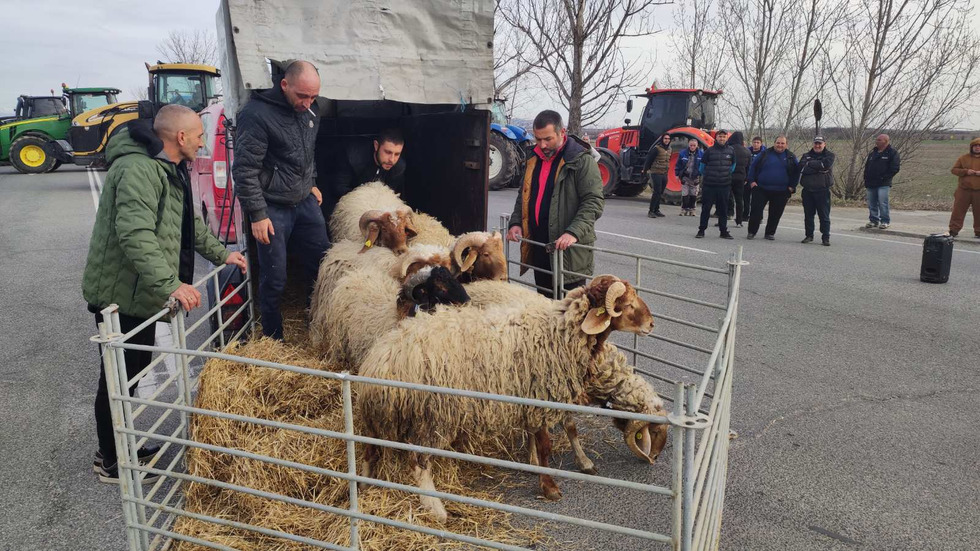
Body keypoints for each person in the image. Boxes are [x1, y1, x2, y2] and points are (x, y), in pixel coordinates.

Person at [82, 105, 248, 484]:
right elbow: (135, 234)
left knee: (132, 374)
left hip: (140, 292)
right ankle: (112, 462)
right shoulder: (139, 170)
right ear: (181, 138)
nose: (204, 143)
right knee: (117, 379)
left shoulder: (167, 168)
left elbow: (188, 225)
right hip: (120, 295)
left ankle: (118, 448)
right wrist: (171, 284)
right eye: (200, 136)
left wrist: (223, 253)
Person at [233, 60, 330, 340]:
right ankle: (273, 338)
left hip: (304, 201)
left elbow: (308, 152)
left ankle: (322, 323)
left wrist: (310, 183)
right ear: (284, 85)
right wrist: (257, 214)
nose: (308, 102)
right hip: (272, 206)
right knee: (275, 276)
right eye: (302, 96)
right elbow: (245, 169)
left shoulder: (312, 110)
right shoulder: (256, 114)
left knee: (323, 263)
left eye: (313, 96)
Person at [506, 110, 604, 297]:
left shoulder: (581, 161)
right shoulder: (533, 159)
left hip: (568, 251)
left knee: (569, 312)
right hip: (539, 246)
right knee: (545, 309)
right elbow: (524, 195)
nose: (542, 145)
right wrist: (516, 222)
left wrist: (573, 232)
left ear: (562, 132)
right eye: (538, 139)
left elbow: (594, 201)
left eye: (548, 139)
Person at [322, 128, 407, 226]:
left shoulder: (399, 166)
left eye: (397, 154)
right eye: (387, 152)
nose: (392, 159)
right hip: (345, 205)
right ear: (376, 145)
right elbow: (338, 188)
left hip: (375, 211)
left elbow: (392, 194)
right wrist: (367, 197)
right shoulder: (353, 157)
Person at [746, 135, 798, 240]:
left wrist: (792, 187)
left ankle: (770, 233)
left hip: (781, 191)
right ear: (774, 143)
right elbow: (753, 167)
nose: (780, 145)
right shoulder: (764, 154)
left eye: (782, 143)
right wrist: (751, 181)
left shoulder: (791, 157)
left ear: (786, 145)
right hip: (761, 188)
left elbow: (796, 173)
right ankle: (752, 232)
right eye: (778, 143)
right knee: (756, 212)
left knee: (775, 213)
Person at [696, 130, 735, 239]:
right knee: (706, 209)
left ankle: (723, 231)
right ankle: (701, 230)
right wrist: (709, 175)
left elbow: (733, 166)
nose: (722, 138)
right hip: (710, 185)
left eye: (724, 137)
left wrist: (725, 174)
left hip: (724, 185)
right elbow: (702, 167)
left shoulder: (731, 151)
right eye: (720, 136)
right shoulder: (709, 151)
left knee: (723, 210)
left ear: (726, 138)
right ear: (716, 138)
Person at [796, 136, 835, 246]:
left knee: (824, 215)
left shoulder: (830, 155)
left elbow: (825, 166)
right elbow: (801, 168)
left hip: (822, 190)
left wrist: (810, 164)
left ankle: (825, 237)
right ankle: (809, 235)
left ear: (824, 144)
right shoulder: (806, 155)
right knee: (808, 215)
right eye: (816, 143)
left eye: (820, 143)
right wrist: (817, 167)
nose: (817, 146)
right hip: (807, 190)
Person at [863, 134, 900, 229]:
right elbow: (867, 167)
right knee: (872, 203)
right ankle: (874, 220)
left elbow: (895, 168)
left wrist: (884, 177)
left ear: (886, 141)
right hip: (871, 183)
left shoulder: (892, 153)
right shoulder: (873, 153)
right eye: (877, 139)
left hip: (883, 183)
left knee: (882, 202)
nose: (877, 141)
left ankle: (885, 221)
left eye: (879, 140)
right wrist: (866, 179)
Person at [948, 137, 980, 238]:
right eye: (975, 146)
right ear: (971, 147)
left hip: (979, 191)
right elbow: (954, 170)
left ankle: (978, 231)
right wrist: (965, 171)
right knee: (958, 211)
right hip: (964, 190)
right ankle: (953, 230)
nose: (977, 148)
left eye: (979, 146)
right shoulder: (963, 158)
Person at [643, 133, 672, 218]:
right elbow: (649, 160)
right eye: (665, 138)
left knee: (661, 193)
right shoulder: (656, 149)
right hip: (656, 173)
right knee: (657, 192)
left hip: (664, 173)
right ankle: (651, 211)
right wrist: (645, 170)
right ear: (662, 139)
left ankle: (657, 210)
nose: (667, 140)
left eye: (668, 139)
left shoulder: (670, 149)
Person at [727, 132, 752, 228]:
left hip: (728, 177)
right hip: (741, 178)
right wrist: (746, 178)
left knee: (727, 198)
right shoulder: (747, 151)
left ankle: (727, 215)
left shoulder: (728, 149)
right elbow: (748, 167)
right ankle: (739, 220)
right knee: (739, 200)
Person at [675, 139, 703, 216]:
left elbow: (703, 165)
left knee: (693, 195)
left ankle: (692, 210)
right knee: (685, 194)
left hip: (695, 177)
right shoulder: (683, 153)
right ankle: (683, 209)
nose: (692, 147)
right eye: (691, 145)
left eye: (694, 145)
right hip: (685, 177)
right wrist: (677, 174)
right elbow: (678, 164)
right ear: (688, 145)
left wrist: (700, 174)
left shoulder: (701, 154)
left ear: (697, 146)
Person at [745, 136, 766, 221]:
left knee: (757, 200)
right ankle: (745, 215)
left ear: (761, 144)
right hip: (748, 178)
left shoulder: (764, 153)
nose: (756, 144)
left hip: (758, 179)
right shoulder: (747, 151)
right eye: (754, 142)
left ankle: (758, 217)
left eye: (758, 143)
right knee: (745, 198)